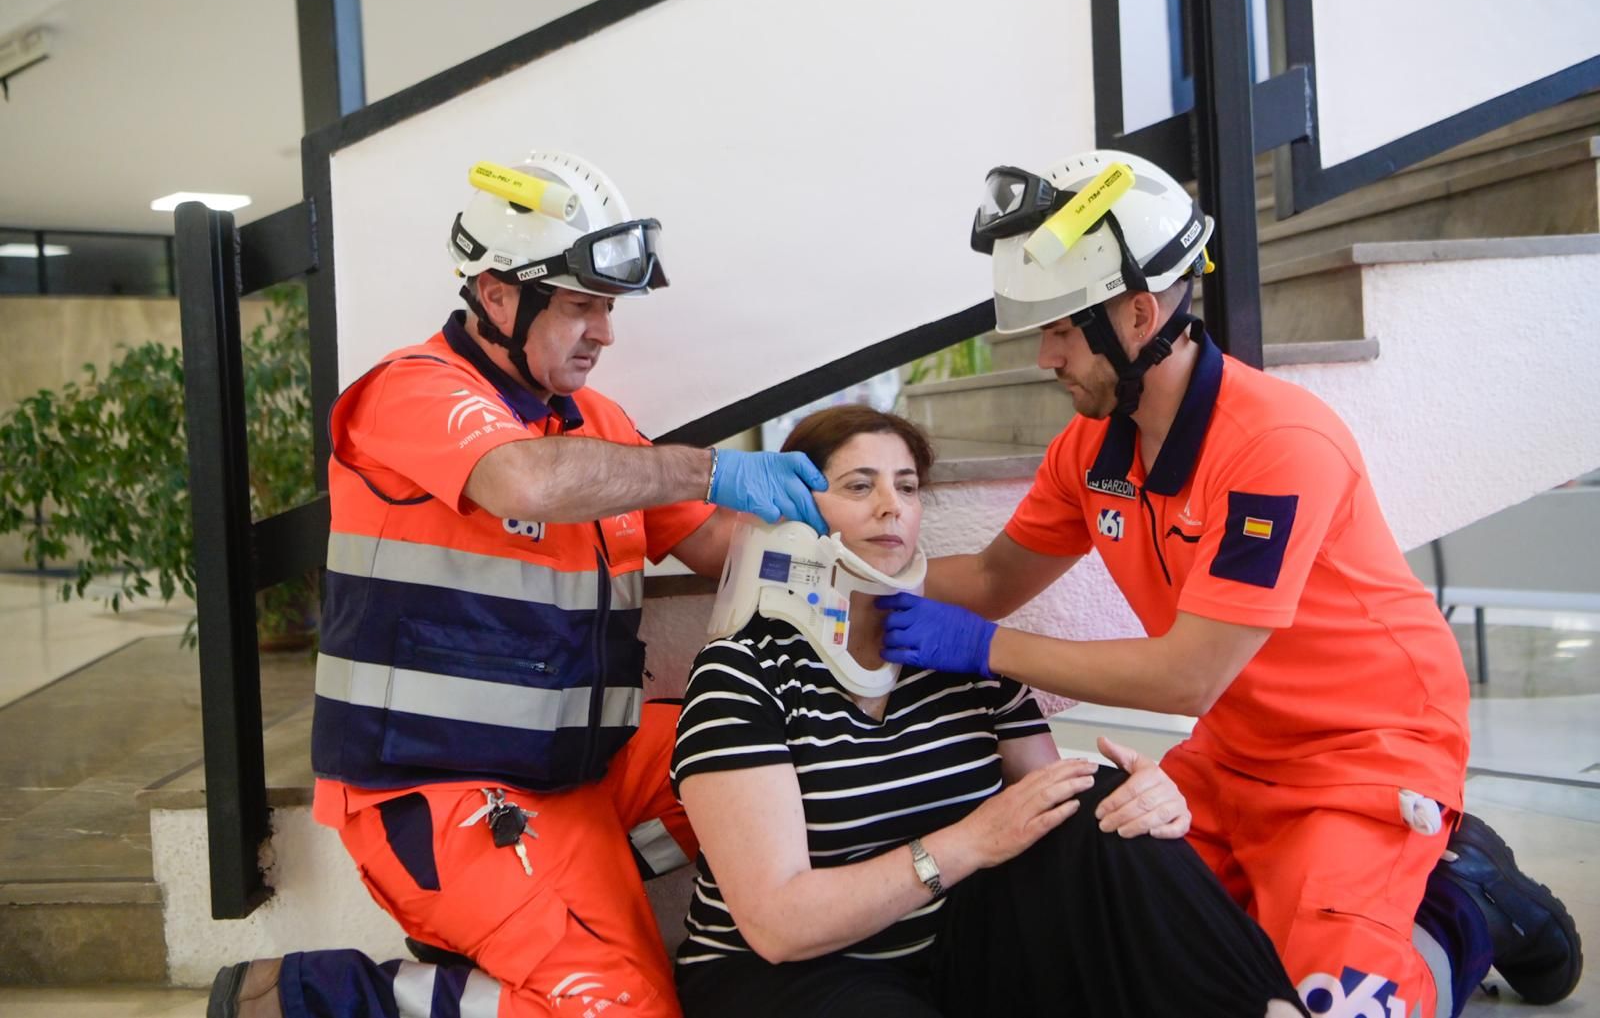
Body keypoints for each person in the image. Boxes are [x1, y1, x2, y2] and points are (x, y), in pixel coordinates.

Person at [873, 149, 1584, 1017]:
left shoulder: (1277, 445)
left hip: (1367, 751)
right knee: (1132, 939)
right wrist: (856, 577)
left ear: (1138, 314)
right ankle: (1335, 890)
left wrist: (983, 648)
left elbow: (1185, 674)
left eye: (1061, 327)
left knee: (1331, 1003)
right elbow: (988, 577)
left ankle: (1466, 896)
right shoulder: (1091, 447)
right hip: (1235, 752)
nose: (1045, 354)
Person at [208, 151, 832, 1018]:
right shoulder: (410, 392)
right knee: (625, 1009)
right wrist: (710, 467)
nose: (605, 334)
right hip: (438, 791)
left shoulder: (600, 427)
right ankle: (332, 995)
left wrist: (863, 552)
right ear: (498, 294)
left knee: (803, 756)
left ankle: (559, 897)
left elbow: (721, 547)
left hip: (581, 769)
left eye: (607, 308)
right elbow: (524, 481)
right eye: (581, 306)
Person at [670, 403, 1307, 1018]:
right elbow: (780, 927)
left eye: (908, 487)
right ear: (797, 514)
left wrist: (1151, 800)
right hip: (784, 975)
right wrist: (967, 842)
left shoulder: (957, 650)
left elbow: (1053, 813)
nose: (892, 506)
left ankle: (1269, 1011)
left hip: (949, 950)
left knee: (1102, 803)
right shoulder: (744, 671)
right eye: (859, 486)